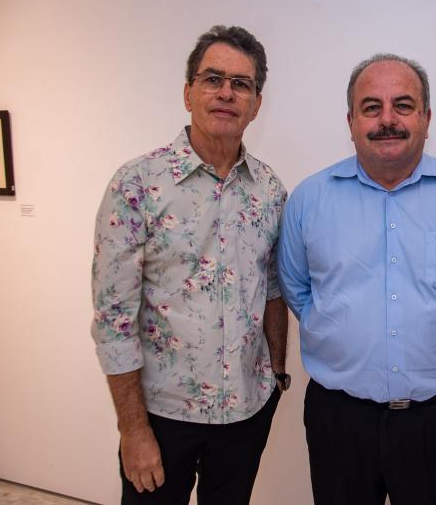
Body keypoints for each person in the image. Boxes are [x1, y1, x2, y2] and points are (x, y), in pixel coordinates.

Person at [277, 53, 436, 505]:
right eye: (371, 107)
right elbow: (298, 290)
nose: (387, 120)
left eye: (403, 105)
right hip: (338, 421)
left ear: (426, 118)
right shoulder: (308, 200)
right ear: (351, 121)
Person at [91, 25, 289, 505]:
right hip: (162, 417)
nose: (226, 93)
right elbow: (114, 320)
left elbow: (272, 289)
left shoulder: (269, 190)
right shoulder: (137, 185)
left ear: (256, 104)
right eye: (212, 79)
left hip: (245, 413)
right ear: (188, 93)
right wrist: (133, 430)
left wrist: (277, 374)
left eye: (241, 84)